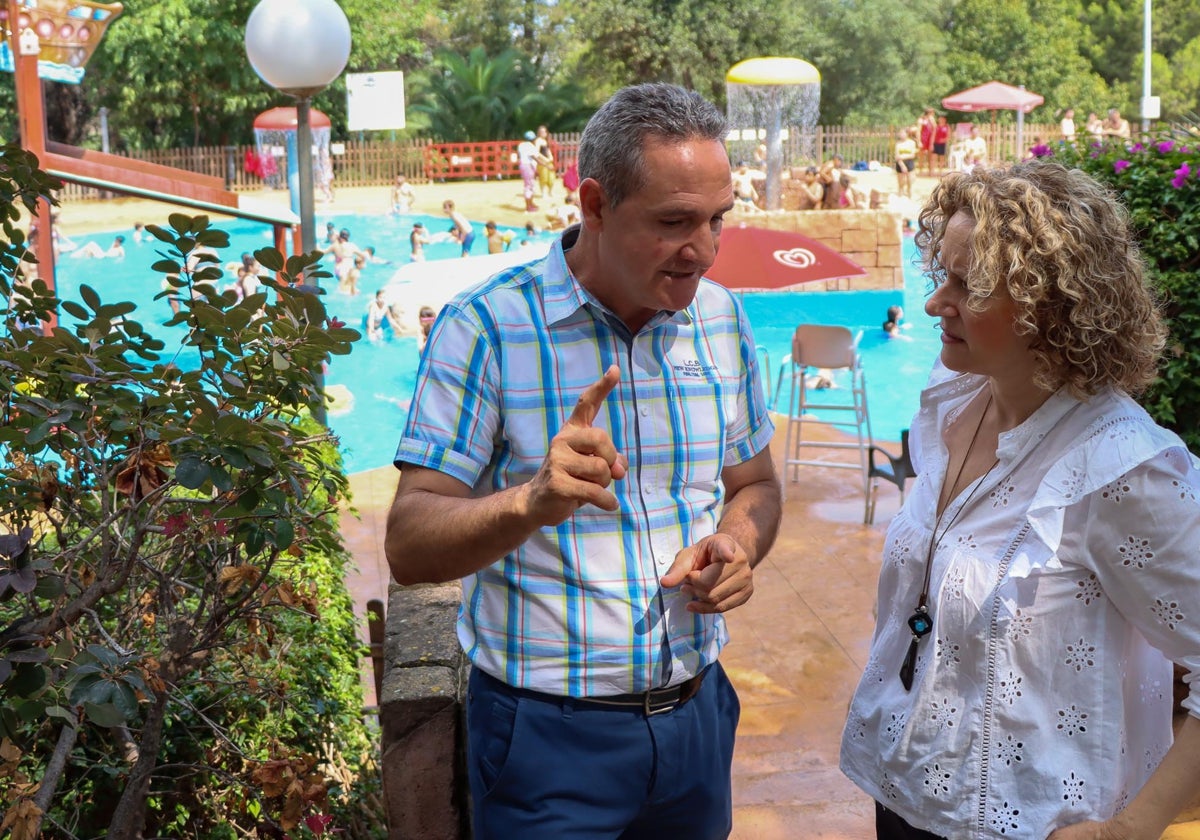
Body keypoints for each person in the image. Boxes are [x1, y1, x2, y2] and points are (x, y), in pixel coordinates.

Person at [384, 82, 781, 839]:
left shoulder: (723, 320)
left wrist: (740, 543)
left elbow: (755, 484)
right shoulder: (487, 329)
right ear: (594, 204)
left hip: (698, 717)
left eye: (717, 218)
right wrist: (530, 502)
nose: (703, 248)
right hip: (547, 742)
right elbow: (408, 544)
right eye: (673, 222)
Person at [840, 160, 1200, 839]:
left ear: (1050, 303)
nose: (932, 303)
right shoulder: (951, 408)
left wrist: (1133, 828)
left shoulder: (1117, 467)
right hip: (909, 799)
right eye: (939, 273)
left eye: (966, 284)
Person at [517, 130, 540, 212]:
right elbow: (534, 157)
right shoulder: (530, 146)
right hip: (528, 166)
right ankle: (528, 206)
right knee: (529, 186)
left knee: (530, 184)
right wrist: (544, 165)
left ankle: (531, 203)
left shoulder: (521, 145)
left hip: (523, 165)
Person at [894, 129, 917, 198]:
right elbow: (897, 156)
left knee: (910, 181)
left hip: (909, 162)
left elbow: (912, 155)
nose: (901, 135)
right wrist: (902, 165)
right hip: (900, 163)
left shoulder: (912, 143)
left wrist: (902, 156)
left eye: (903, 133)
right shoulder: (898, 144)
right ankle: (900, 196)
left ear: (907, 134)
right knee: (901, 183)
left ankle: (909, 195)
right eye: (900, 133)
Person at [535, 125, 556, 200]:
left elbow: (547, 150)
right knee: (543, 178)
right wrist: (544, 159)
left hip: (548, 161)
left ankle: (550, 192)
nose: (543, 133)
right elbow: (537, 152)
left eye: (544, 131)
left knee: (551, 177)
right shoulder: (538, 141)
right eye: (541, 132)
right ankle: (543, 193)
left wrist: (550, 157)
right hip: (542, 162)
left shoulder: (545, 141)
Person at [917, 108, 937, 177]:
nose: (933, 114)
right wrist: (919, 141)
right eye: (932, 113)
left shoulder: (932, 120)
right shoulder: (921, 120)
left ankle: (930, 172)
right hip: (923, 139)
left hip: (930, 140)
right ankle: (920, 171)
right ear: (929, 113)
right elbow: (918, 131)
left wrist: (932, 121)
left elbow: (935, 129)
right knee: (921, 156)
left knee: (930, 156)